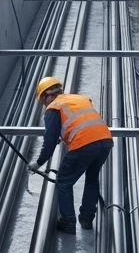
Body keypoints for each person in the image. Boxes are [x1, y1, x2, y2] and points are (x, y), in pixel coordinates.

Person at [29, 76, 114, 234]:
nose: (44, 104)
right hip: (105, 140)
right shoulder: (78, 98)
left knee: (63, 182)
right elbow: (81, 122)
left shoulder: (53, 107)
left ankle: (68, 222)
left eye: (42, 100)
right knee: (92, 179)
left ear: (47, 96)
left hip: (84, 144)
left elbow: (49, 142)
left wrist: (38, 163)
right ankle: (87, 220)